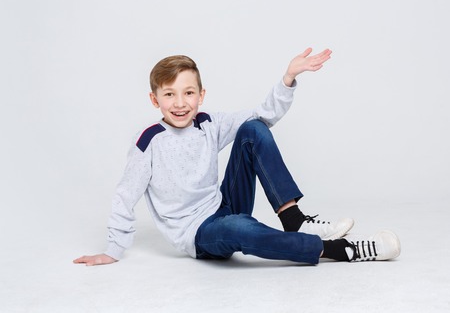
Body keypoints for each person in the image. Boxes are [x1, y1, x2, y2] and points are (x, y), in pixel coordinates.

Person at [74, 48, 401, 266]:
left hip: (225, 204)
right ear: (154, 99)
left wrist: (288, 79)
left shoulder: (208, 123)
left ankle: (294, 219)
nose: (179, 103)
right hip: (199, 234)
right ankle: (340, 251)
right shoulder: (150, 142)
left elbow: (263, 115)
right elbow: (124, 195)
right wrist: (112, 251)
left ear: (201, 95)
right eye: (169, 94)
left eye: (188, 93)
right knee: (241, 228)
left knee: (253, 130)